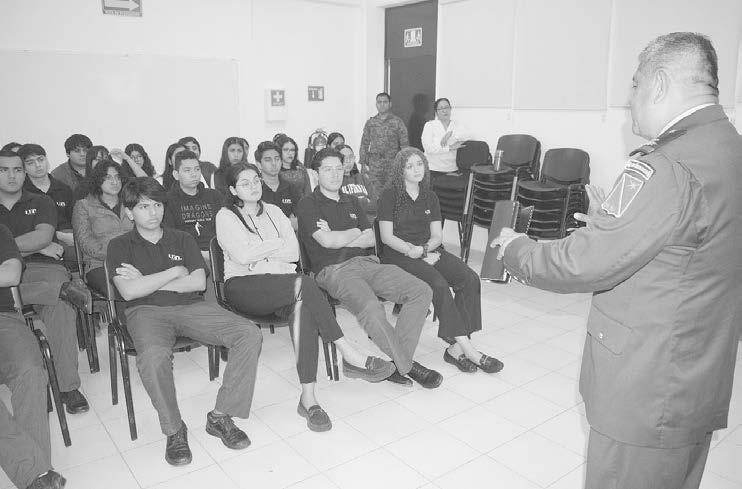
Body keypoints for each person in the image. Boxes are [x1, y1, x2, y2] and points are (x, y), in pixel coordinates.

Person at [492, 32, 742, 489]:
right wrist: (614, 228)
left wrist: (516, 249)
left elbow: (582, 264)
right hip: (695, 378)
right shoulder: (728, 148)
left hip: (644, 391)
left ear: (659, 84)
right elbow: (693, 247)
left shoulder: (667, 166)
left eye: (634, 85)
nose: (630, 99)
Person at [215, 163, 394, 431]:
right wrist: (275, 245)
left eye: (256, 180)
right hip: (243, 286)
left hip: (284, 284)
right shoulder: (226, 216)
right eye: (245, 183)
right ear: (232, 190)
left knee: (304, 307)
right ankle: (348, 353)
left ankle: (308, 399)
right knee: (305, 285)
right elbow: (242, 256)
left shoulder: (274, 211)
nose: (253, 186)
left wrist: (260, 250)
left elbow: (293, 253)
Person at [106, 177, 262, 466]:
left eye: (157, 205)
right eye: (143, 207)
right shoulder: (119, 245)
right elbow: (128, 292)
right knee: (153, 358)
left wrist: (146, 281)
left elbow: (197, 283)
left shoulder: (182, 238)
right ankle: (174, 429)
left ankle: (220, 416)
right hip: (145, 313)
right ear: (129, 212)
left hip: (191, 307)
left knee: (248, 332)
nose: (153, 212)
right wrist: (174, 271)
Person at [297, 148, 440, 388]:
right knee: (372, 309)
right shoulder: (308, 203)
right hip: (334, 270)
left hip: (368, 263)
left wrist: (341, 236)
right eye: (327, 169)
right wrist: (354, 232)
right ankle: (408, 366)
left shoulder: (351, 200)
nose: (335, 174)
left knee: (421, 291)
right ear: (315, 173)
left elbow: (371, 238)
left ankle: (399, 361)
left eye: (338, 168)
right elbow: (327, 242)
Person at [378, 148, 503, 374]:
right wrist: (413, 252)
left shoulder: (430, 196)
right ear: (400, 171)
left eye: (419, 164)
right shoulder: (390, 195)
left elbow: (437, 235)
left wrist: (425, 250)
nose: (416, 169)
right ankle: (469, 350)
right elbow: (386, 237)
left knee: (469, 278)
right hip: (399, 254)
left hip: (428, 250)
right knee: (438, 284)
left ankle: (456, 346)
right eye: (409, 166)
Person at [0, 149, 90, 415]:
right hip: (4, 275)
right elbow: (38, 243)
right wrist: (27, 248)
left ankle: (68, 387)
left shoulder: (41, 201)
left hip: (43, 267)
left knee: (61, 308)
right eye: (4, 170)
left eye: (17, 169)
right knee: (57, 294)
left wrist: (19, 248)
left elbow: (42, 237)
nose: (12, 175)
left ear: (24, 173)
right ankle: (57, 290)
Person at [0, 224, 67, 489]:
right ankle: (37, 475)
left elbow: (11, 273)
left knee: (31, 371)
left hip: (3, 318)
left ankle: (35, 475)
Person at [72, 159, 132, 293]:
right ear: (98, 181)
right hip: (100, 264)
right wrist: (117, 255)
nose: (115, 182)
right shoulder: (84, 206)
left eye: (117, 177)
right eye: (108, 178)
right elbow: (86, 243)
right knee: (123, 288)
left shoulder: (131, 203)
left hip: (135, 260)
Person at [19, 144, 75, 265]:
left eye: (40, 159)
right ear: (23, 168)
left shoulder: (63, 189)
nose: (38, 165)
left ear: (46, 160)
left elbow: (74, 219)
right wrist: (59, 236)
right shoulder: (20, 193)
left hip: (68, 236)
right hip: (37, 240)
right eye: (30, 163)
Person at [358, 92, 409, 195]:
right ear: (376, 104)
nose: (382, 104)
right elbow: (364, 143)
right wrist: (363, 163)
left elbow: (404, 144)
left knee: (392, 193)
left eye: (385, 102)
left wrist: (404, 163)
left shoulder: (397, 122)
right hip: (374, 165)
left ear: (390, 104)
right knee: (374, 193)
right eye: (379, 102)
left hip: (392, 164)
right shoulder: (371, 122)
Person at [254, 141, 302, 229]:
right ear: (259, 164)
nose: (274, 163)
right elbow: (254, 224)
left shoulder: (292, 188)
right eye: (268, 160)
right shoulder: (254, 189)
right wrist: (287, 222)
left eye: (277, 159)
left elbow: (300, 222)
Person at [421, 97, 469, 181]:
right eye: (441, 108)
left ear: (450, 109)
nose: (444, 111)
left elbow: (468, 137)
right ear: (436, 112)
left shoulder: (457, 125)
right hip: (432, 169)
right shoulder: (430, 125)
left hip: (452, 169)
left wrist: (450, 134)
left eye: (446, 107)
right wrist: (450, 148)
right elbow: (429, 149)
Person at [336, 144, 377, 220]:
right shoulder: (334, 181)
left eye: (351, 157)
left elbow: (375, 205)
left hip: (369, 222)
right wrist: (364, 201)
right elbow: (340, 208)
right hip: (348, 224)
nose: (348, 161)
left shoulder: (363, 178)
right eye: (344, 157)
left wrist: (354, 202)